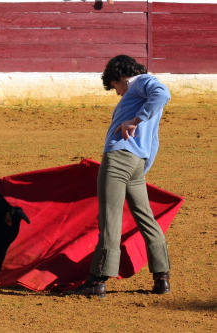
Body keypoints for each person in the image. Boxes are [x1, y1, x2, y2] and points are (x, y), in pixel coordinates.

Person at [65, 55, 172, 298]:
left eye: (115, 87)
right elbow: (153, 137)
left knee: (110, 218)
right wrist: (143, 164)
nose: (118, 93)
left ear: (120, 78)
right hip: (136, 161)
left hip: (119, 159)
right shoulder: (142, 90)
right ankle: (162, 277)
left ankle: (97, 281)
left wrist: (135, 120)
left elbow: (163, 93)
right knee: (146, 218)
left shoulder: (140, 82)